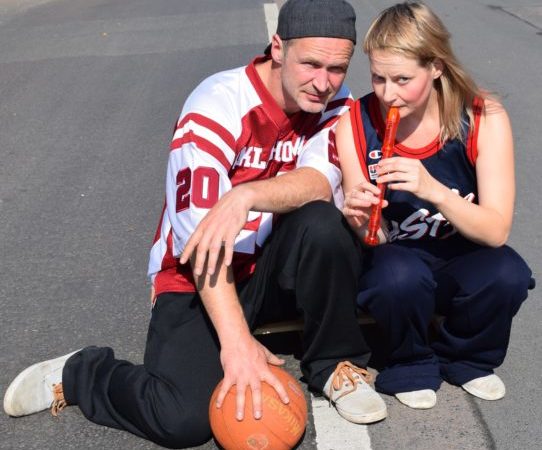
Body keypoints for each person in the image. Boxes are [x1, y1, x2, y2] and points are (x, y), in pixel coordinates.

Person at [4, 0, 388, 447]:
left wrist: (247, 194)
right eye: (311, 64)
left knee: (323, 224)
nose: (323, 83)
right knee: (181, 421)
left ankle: (335, 363)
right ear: (278, 48)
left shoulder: (333, 103)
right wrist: (236, 343)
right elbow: (200, 242)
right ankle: (81, 373)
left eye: (337, 69)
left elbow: (319, 182)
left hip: (271, 270)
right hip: (197, 275)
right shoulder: (218, 102)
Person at [336, 1, 534, 410]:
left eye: (403, 79)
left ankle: (467, 357)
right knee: (397, 276)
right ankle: (409, 362)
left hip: (461, 252)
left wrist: (434, 190)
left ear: (437, 68)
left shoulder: (482, 117)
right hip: (398, 258)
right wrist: (358, 215)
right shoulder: (353, 121)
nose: (387, 93)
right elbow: (372, 237)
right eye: (378, 77)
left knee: (508, 273)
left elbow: (496, 231)